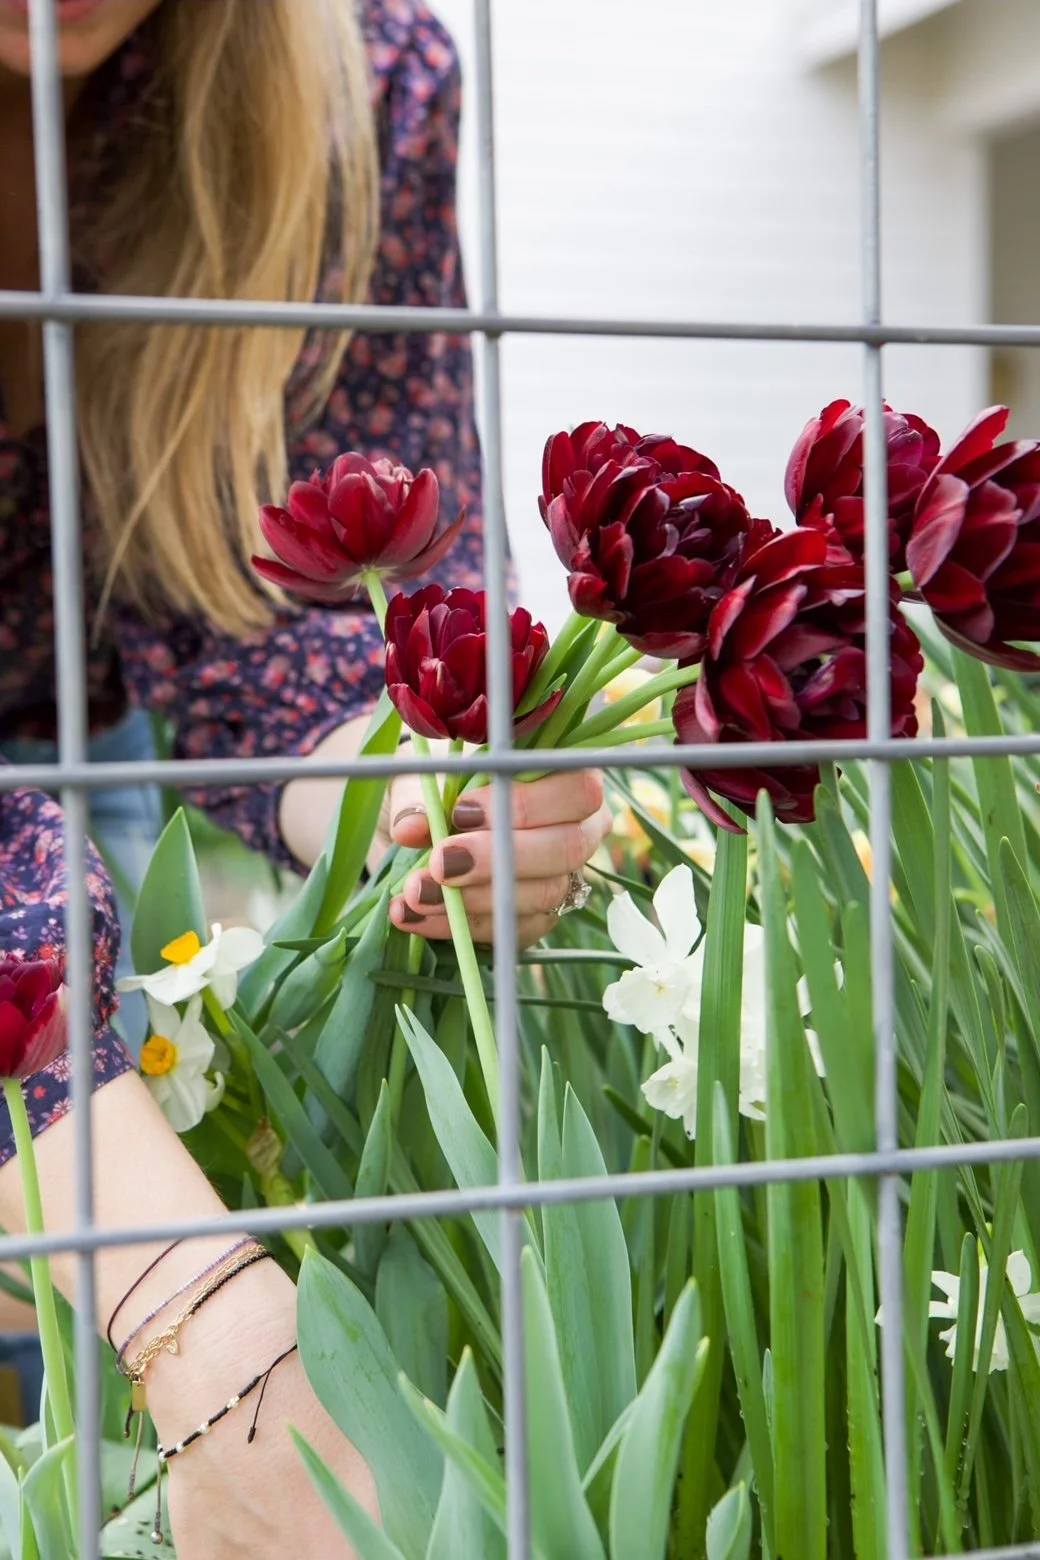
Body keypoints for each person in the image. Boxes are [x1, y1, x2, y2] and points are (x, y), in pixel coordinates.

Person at [0, 1, 612, 1555]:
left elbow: (282, 641)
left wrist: (416, 792)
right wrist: (190, 1312)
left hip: (87, 735)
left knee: (54, 1400)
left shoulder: (361, 89)